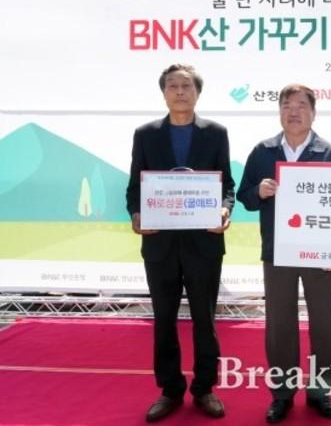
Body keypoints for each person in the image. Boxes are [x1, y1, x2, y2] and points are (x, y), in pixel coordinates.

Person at [126, 64, 234, 422]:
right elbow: (135, 187)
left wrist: (224, 209)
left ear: (197, 93)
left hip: (204, 243)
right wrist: (137, 214)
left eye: (187, 86)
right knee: (164, 320)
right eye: (173, 86)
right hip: (160, 244)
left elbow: (227, 185)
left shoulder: (215, 133)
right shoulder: (146, 134)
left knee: (205, 320)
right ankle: (170, 390)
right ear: (164, 93)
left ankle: (204, 388)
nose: (180, 92)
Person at [236, 84, 331, 423]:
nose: (293, 111)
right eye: (286, 105)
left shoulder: (329, 153)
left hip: (319, 253)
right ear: (279, 111)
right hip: (277, 251)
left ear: (313, 112)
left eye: (300, 105)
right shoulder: (263, 151)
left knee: (323, 323)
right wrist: (259, 191)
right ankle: (282, 394)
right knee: (280, 324)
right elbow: (244, 196)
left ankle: (320, 392)